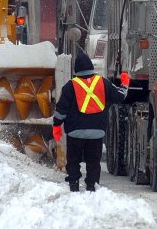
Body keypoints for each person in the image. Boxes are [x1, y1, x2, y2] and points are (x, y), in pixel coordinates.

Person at [53, 52, 130, 192]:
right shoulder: (103, 82)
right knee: (93, 162)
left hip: (75, 133)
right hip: (96, 132)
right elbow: (120, 96)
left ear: (76, 69)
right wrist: (125, 84)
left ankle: (74, 184)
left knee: (74, 161)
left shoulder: (70, 86)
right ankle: (92, 186)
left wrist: (57, 125)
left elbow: (61, 109)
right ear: (91, 67)